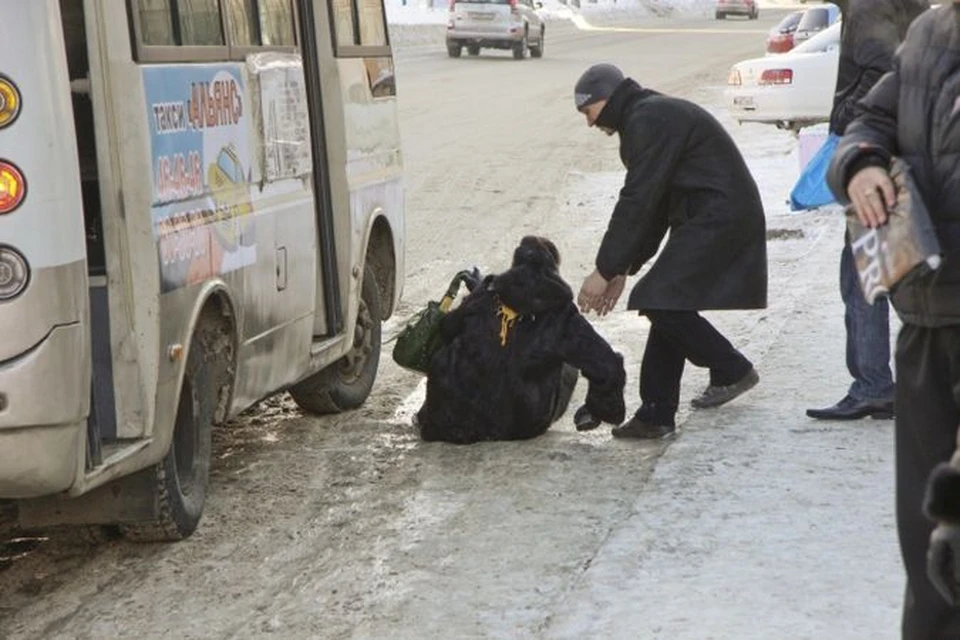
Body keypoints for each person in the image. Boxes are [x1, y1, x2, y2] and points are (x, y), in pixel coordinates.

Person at [826, 2, 960, 636]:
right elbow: (868, 121)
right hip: (929, 318)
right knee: (927, 528)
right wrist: (862, 164)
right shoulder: (931, 33)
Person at [573, 63, 767, 440]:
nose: (589, 123)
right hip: (710, 212)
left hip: (718, 214)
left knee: (661, 300)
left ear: (605, 100)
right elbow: (657, 204)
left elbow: (638, 201)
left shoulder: (648, 119)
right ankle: (656, 414)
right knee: (666, 300)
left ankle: (730, 368)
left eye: (588, 112)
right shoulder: (646, 115)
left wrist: (604, 268)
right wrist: (623, 267)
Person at [806, 0, 929, 422]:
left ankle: (874, 385)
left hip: (880, 155)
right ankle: (877, 382)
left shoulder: (867, 6)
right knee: (891, 269)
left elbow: (884, 73)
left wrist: (848, 125)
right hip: (906, 150)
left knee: (863, 274)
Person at [416, 236, 626, 445]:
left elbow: (447, 329)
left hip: (454, 422)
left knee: (463, 350)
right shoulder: (560, 313)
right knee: (568, 356)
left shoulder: (488, 294)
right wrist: (598, 408)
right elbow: (607, 366)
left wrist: (477, 300)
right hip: (518, 423)